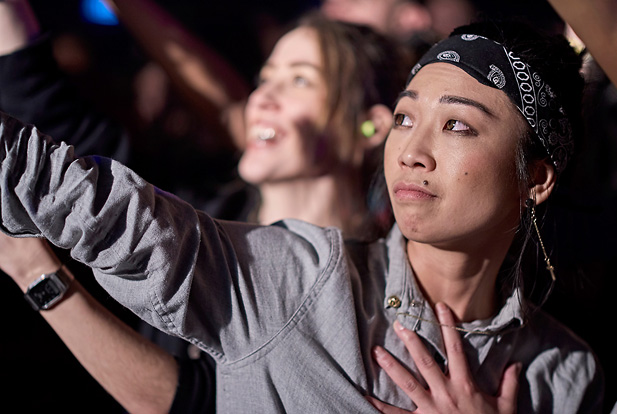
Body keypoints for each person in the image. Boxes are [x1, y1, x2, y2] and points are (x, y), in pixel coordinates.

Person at [0, 17, 603, 414]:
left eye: (457, 126)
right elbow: (89, 201)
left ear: (536, 178)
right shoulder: (297, 279)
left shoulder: (566, 376)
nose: (413, 152)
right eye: (406, 118)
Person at [0, 2, 408, 412]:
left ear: (370, 127)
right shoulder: (191, 215)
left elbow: (190, 402)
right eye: (265, 78)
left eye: (300, 80)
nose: (263, 97)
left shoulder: (376, 292)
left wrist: (36, 272)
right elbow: (39, 95)